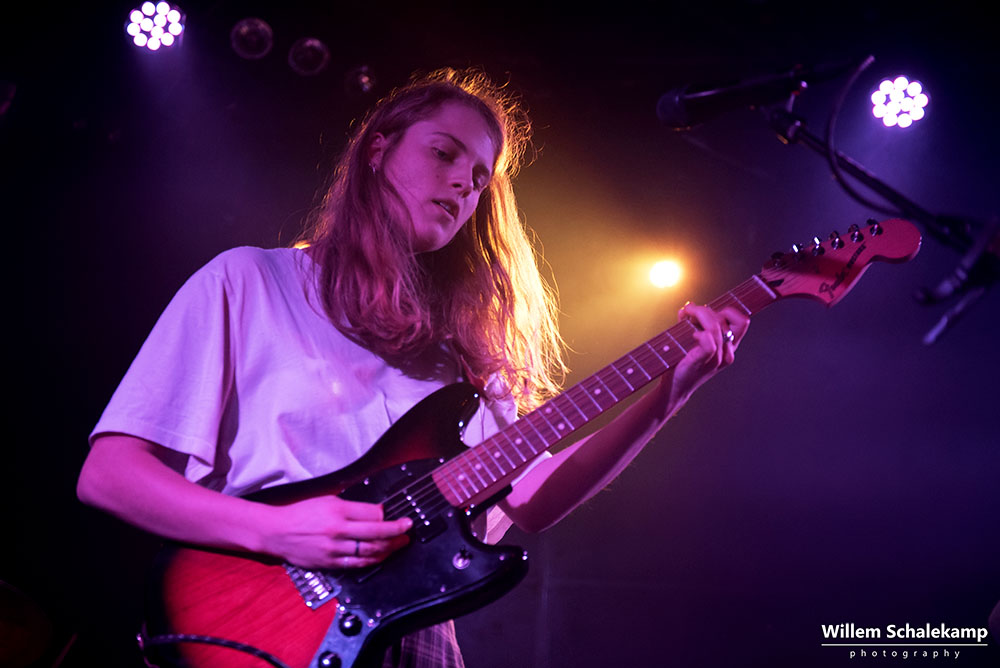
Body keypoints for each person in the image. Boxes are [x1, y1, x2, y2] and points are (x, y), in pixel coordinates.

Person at [77, 68, 749, 668]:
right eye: (444, 154)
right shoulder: (251, 281)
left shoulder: (464, 356)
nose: (464, 182)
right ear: (378, 149)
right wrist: (275, 528)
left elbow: (532, 500)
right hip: (258, 626)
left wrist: (668, 394)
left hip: (418, 640)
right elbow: (109, 476)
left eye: (480, 178)